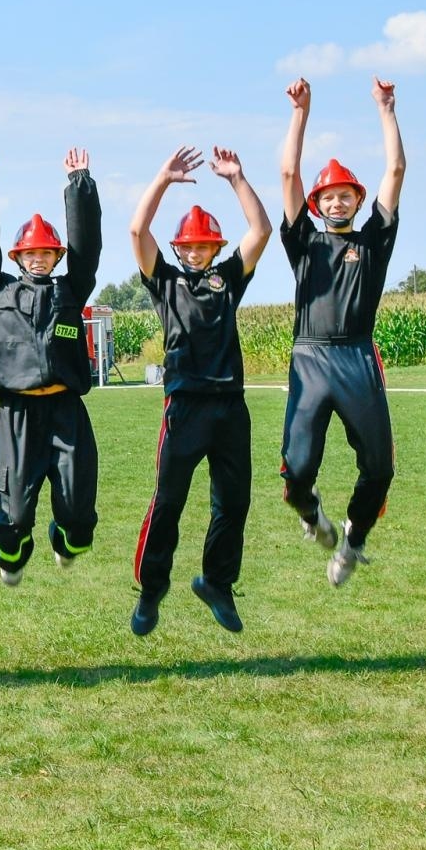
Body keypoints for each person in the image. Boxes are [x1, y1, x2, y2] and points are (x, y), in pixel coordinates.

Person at [128, 146, 272, 635]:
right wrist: (164, 179)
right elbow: (136, 231)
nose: (194, 252)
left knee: (234, 503)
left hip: (231, 407)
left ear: (214, 248)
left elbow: (261, 232)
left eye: (203, 246)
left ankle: (217, 582)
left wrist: (237, 178)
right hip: (184, 407)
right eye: (187, 246)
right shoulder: (164, 281)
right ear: (177, 249)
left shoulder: (227, 279)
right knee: (169, 501)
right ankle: (151, 589)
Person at [278, 77, 404, 586]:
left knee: (380, 466)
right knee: (297, 472)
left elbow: (394, 169)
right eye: (326, 196)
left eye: (344, 194)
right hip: (309, 360)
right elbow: (288, 171)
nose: (335, 202)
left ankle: (352, 541)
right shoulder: (304, 242)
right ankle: (313, 517)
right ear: (316, 204)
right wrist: (300, 112)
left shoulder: (373, 243)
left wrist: (386, 108)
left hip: (356, 359)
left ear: (357, 198)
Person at [0, 141, 102, 586]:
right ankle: (12, 556)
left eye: (46, 253)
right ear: (18, 258)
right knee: (14, 512)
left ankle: (65, 540)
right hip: (17, 415)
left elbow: (88, 245)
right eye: (30, 254)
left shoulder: (70, 291)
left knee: (79, 516)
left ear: (55, 257)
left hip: (66, 412)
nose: (38, 259)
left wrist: (79, 186)